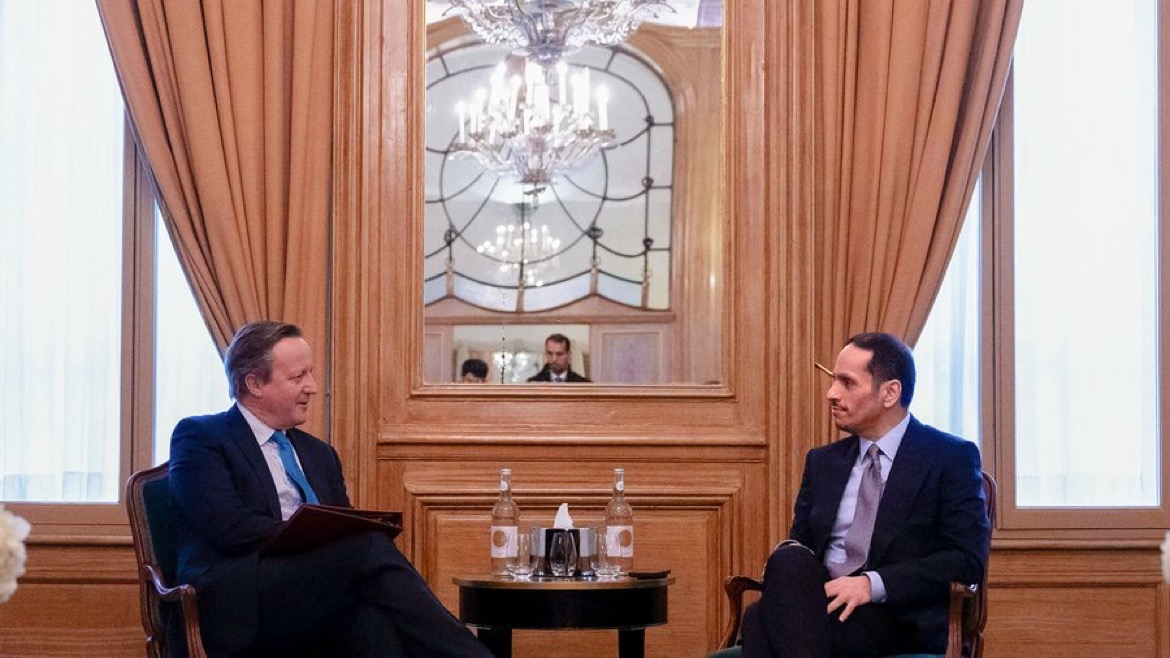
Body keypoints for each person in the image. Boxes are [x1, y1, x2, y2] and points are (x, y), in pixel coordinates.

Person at [169, 321, 490, 657]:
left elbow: (342, 531)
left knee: (372, 620)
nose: (312, 387)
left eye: (310, 373)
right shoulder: (202, 437)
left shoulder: (318, 453)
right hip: (243, 598)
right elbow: (229, 528)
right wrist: (306, 535)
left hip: (315, 597)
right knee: (368, 547)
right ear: (254, 383)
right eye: (298, 377)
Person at [740, 332, 989, 657]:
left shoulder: (949, 457)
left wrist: (872, 584)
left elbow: (965, 559)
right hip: (823, 601)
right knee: (788, 558)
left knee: (758, 620)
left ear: (890, 392)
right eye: (833, 380)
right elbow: (803, 551)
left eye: (847, 383)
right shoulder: (823, 462)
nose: (831, 393)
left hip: (894, 615)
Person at [526, 333, 591, 382]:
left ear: (568, 355)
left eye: (559, 354)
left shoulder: (583, 385)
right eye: (550, 353)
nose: (554, 359)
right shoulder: (533, 384)